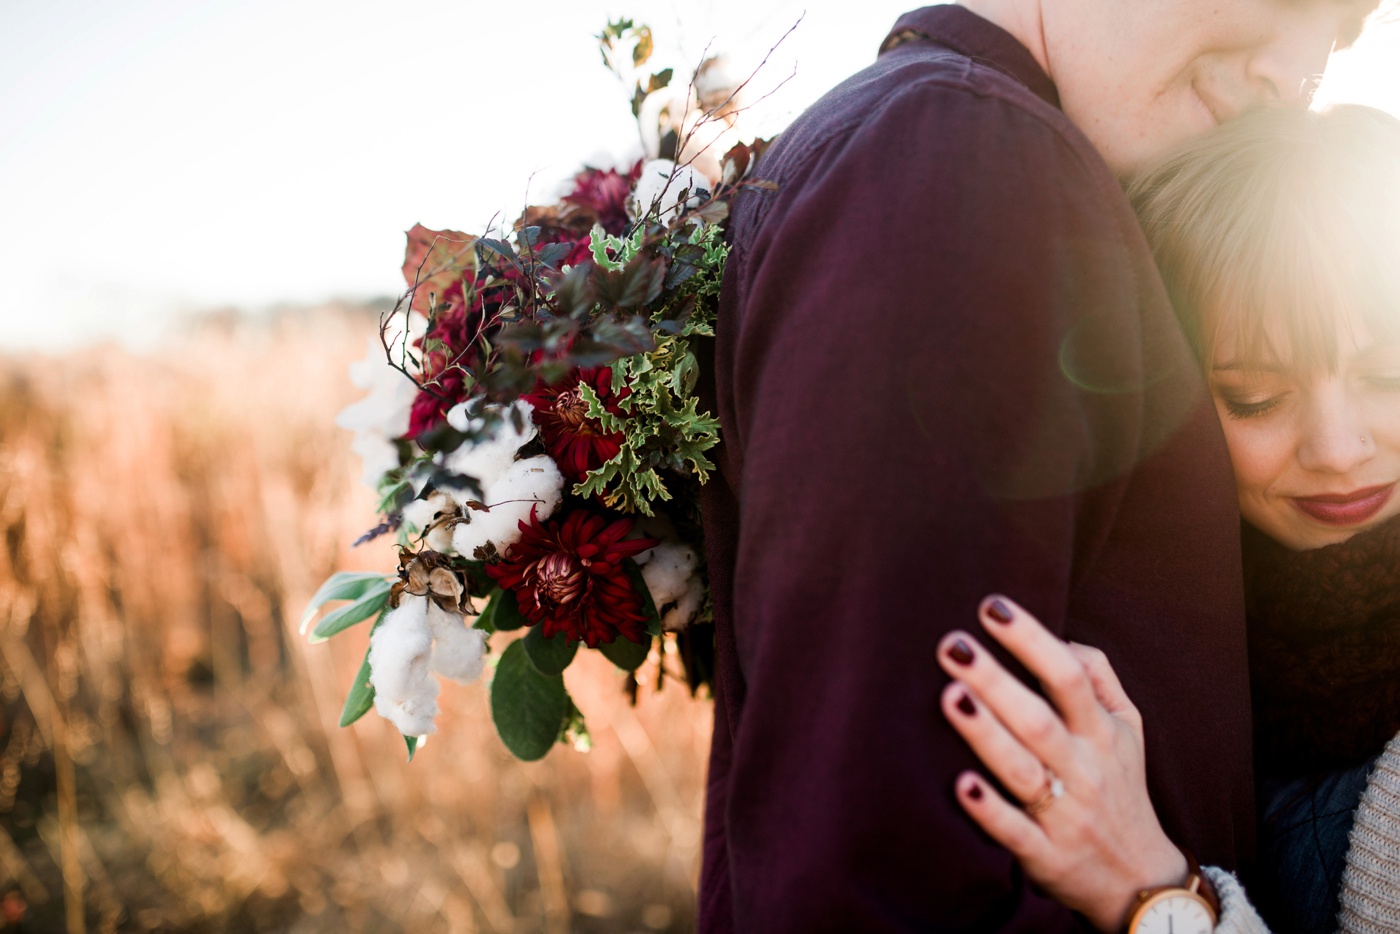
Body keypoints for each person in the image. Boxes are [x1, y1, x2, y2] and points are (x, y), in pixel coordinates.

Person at [697, 0, 1376, 930]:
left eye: (1343, 31)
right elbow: (880, 871)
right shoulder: (962, 160)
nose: (1296, 76)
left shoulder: (961, 155)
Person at [937, 102, 1400, 933]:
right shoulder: (1146, 636)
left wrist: (1152, 891)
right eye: (1255, 397)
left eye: (1391, 377)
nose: (1338, 447)